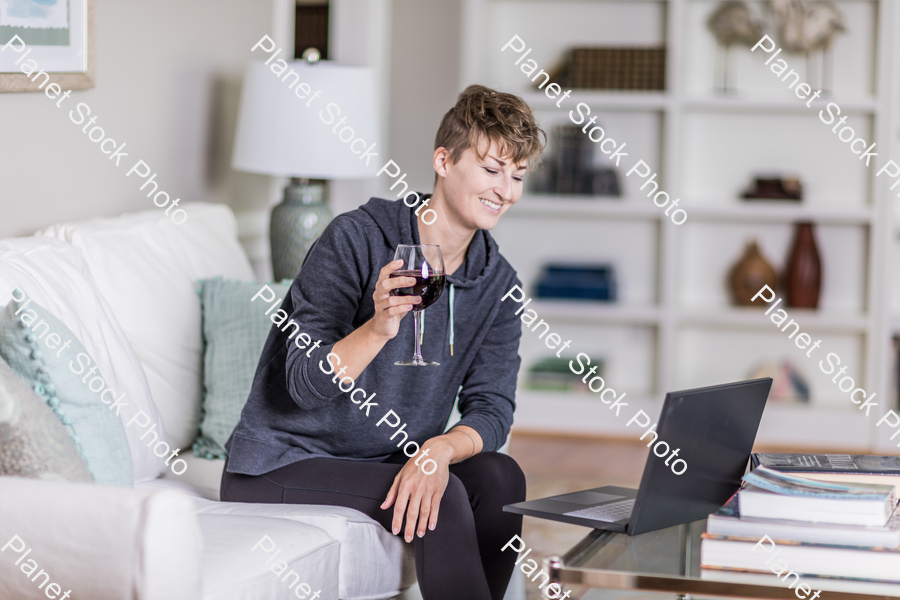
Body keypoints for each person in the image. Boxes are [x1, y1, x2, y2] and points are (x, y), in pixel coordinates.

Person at [222, 84, 546, 600]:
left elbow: (493, 408)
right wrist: (378, 327)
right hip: (282, 461)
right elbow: (302, 385)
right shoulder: (355, 238)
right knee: (447, 501)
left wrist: (438, 450)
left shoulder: (497, 282)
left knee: (501, 478)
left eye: (517, 175)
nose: (505, 190)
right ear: (443, 160)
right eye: (491, 169)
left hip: (385, 458)